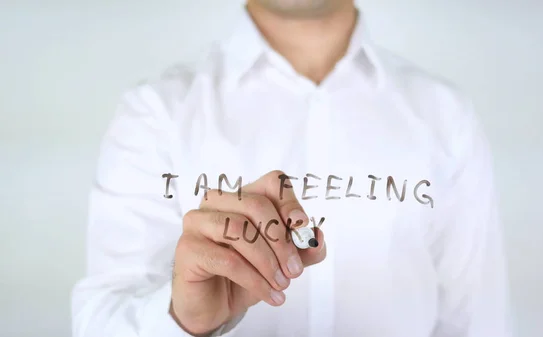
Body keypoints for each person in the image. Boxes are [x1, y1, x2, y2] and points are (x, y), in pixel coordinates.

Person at [71, 0, 513, 336]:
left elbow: (478, 322)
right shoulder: (155, 113)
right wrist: (183, 319)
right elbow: (100, 320)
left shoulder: (445, 114)